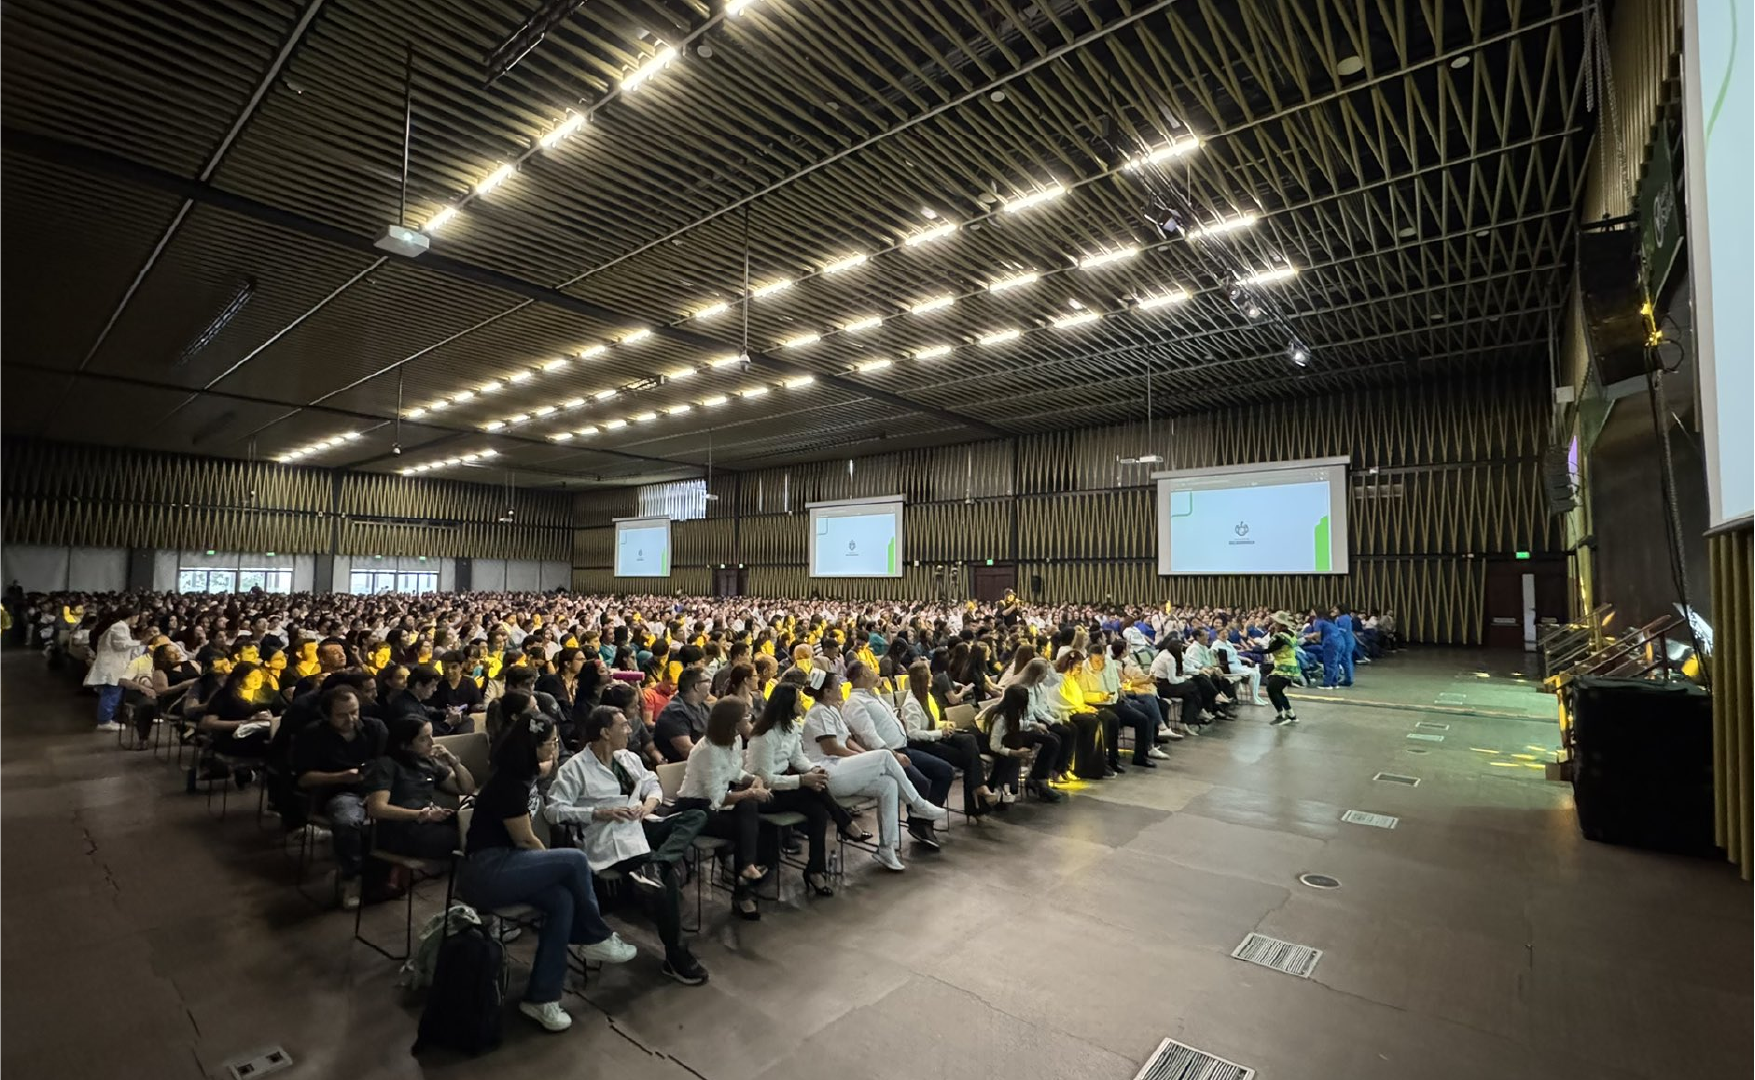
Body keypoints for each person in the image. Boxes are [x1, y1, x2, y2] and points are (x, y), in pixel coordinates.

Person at [458, 710, 637, 1033]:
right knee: (574, 861)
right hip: (486, 871)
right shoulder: (509, 784)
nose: (556, 748)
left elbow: (545, 771)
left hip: (510, 864)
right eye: (551, 743)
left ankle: (541, 998)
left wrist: (550, 761)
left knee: (562, 902)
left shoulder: (525, 773)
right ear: (532, 748)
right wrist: (554, 865)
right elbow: (526, 840)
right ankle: (594, 936)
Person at [544, 705, 710, 985]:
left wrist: (649, 804)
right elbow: (553, 810)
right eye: (623, 725)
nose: (630, 730)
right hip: (612, 838)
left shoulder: (628, 758)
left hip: (640, 824)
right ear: (605, 732)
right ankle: (676, 954)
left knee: (696, 816)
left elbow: (652, 783)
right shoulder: (575, 768)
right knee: (666, 881)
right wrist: (598, 813)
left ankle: (657, 863)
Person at [801, 668, 946, 871]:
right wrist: (865, 758)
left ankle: (887, 849)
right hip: (827, 773)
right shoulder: (818, 712)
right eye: (837, 686)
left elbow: (847, 740)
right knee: (885, 755)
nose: (842, 688)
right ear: (826, 692)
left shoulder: (831, 709)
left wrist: (864, 756)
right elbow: (832, 748)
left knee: (888, 784)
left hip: (842, 768)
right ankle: (918, 804)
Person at [743, 683, 856, 896]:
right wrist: (803, 780)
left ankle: (815, 869)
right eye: (798, 700)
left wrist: (813, 769)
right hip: (761, 794)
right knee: (814, 789)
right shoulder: (764, 736)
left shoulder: (790, 728)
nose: (801, 703)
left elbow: (798, 758)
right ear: (787, 704)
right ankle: (844, 822)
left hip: (783, 786)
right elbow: (765, 780)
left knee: (817, 808)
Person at [292, 686, 389, 909]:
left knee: (413, 808)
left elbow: (387, 762)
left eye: (354, 712)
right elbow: (304, 779)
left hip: (376, 789)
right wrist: (341, 776)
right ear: (327, 715)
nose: (350, 719)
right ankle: (351, 877)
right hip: (338, 792)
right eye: (342, 715)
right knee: (347, 821)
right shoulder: (313, 735)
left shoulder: (375, 728)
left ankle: (387, 874)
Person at [674, 699, 771, 921]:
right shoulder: (707, 750)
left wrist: (752, 779)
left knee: (750, 814)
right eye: (745, 717)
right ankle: (743, 890)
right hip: (694, 809)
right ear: (733, 722)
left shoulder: (734, 740)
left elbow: (734, 772)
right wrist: (750, 793)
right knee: (748, 827)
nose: (749, 720)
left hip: (715, 804)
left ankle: (746, 873)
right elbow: (717, 798)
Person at [842, 660, 952, 850]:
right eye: (870, 669)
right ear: (863, 674)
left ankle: (921, 822)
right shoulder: (855, 703)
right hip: (887, 756)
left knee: (944, 771)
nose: (875, 671)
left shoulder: (873, 695)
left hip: (903, 748)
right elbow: (869, 736)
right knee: (921, 783)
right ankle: (920, 823)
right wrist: (892, 754)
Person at [363, 714, 475, 873]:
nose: (432, 743)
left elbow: (467, 788)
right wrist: (422, 815)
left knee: (477, 826)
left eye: (431, 736)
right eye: (423, 739)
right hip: (401, 829)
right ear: (405, 745)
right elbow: (376, 809)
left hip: (428, 823)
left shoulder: (427, 762)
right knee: (467, 836)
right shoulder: (386, 764)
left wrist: (453, 761)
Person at [899, 658, 998, 815]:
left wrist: (945, 724)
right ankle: (978, 798)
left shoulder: (928, 696)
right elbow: (913, 733)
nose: (932, 677)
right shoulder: (911, 703)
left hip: (936, 736)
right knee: (970, 759)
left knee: (969, 740)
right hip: (922, 744)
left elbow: (934, 722)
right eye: (929, 675)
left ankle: (979, 793)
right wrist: (940, 732)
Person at [1078, 645, 1165, 767]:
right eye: (1097, 661)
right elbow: (1083, 695)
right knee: (1113, 722)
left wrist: (1119, 689)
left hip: (1116, 701)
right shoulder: (1083, 670)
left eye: (1102, 659)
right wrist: (1100, 696)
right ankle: (1112, 760)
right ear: (1089, 659)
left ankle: (1140, 757)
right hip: (1098, 705)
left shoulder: (1109, 662)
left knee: (1142, 719)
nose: (1101, 663)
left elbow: (1115, 680)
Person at [980, 685, 1062, 802]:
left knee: (1052, 740)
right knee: (1012, 751)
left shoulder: (1010, 713)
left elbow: (1015, 723)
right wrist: (1015, 753)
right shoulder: (1000, 718)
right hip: (993, 744)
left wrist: (1033, 724)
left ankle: (1038, 778)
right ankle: (1001, 789)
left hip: (1010, 736)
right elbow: (994, 745)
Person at [1053, 650, 1122, 778]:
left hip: (1077, 709)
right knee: (1093, 722)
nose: (1080, 670)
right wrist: (1081, 708)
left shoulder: (1072, 679)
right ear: (1069, 665)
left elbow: (1078, 698)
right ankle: (1088, 766)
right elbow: (1063, 701)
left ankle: (1103, 762)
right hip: (1067, 712)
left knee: (1107, 718)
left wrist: (1086, 706)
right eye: (1078, 667)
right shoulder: (1060, 679)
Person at [84, 612, 139, 733]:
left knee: (113, 693)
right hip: (112, 666)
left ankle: (107, 719)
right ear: (133, 616)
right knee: (110, 694)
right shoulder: (119, 627)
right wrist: (141, 642)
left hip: (114, 665)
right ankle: (104, 722)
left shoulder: (121, 627)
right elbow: (121, 645)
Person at [653, 667, 711, 763]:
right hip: (683, 766)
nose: (710, 684)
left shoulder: (704, 707)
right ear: (696, 686)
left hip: (704, 762)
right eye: (707, 681)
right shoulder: (674, 713)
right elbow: (687, 751)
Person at [1264, 612, 1303, 726]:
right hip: (1286, 664)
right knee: (1275, 690)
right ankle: (1289, 715)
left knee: (1273, 689)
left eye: (1275, 623)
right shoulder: (1289, 633)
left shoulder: (1281, 636)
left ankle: (1284, 715)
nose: (1273, 624)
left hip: (1285, 666)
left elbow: (1270, 649)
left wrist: (1252, 651)